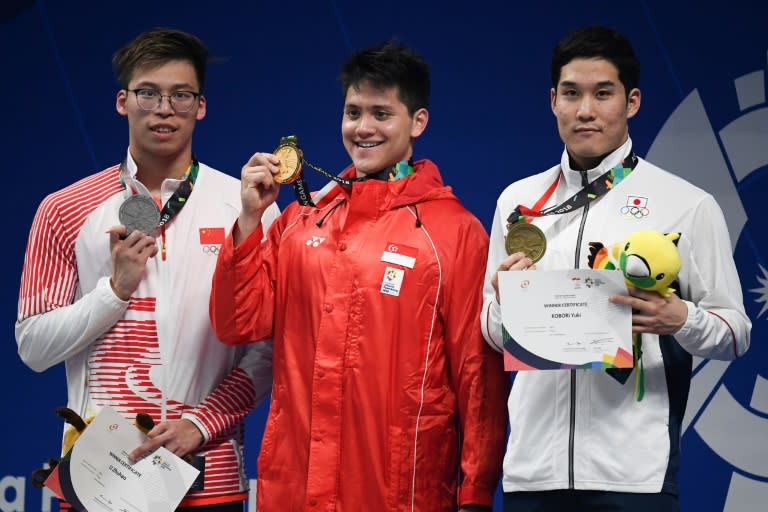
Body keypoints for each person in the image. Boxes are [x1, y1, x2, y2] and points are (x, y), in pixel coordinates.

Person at [209, 40, 508, 511]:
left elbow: (477, 374)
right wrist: (249, 222)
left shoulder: (453, 232)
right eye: (353, 112)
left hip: (400, 491)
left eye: (381, 114)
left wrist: (475, 488)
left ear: (418, 122)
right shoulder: (301, 220)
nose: (363, 128)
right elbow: (237, 324)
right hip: (294, 488)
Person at [481, 26, 751, 512]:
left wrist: (681, 319)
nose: (585, 110)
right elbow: (491, 332)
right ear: (553, 101)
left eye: (602, 93)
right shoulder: (517, 202)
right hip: (532, 473)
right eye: (571, 93)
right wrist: (504, 305)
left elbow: (735, 333)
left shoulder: (686, 205)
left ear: (632, 102)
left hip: (633, 476)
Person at [16, 28, 279, 511]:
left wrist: (200, 424)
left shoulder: (244, 208)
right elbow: (33, 346)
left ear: (201, 106)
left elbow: (270, 348)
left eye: (181, 95)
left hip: (210, 472)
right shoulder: (64, 209)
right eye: (149, 93)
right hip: (101, 479)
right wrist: (113, 291)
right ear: (122, 102)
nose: (164, 108)